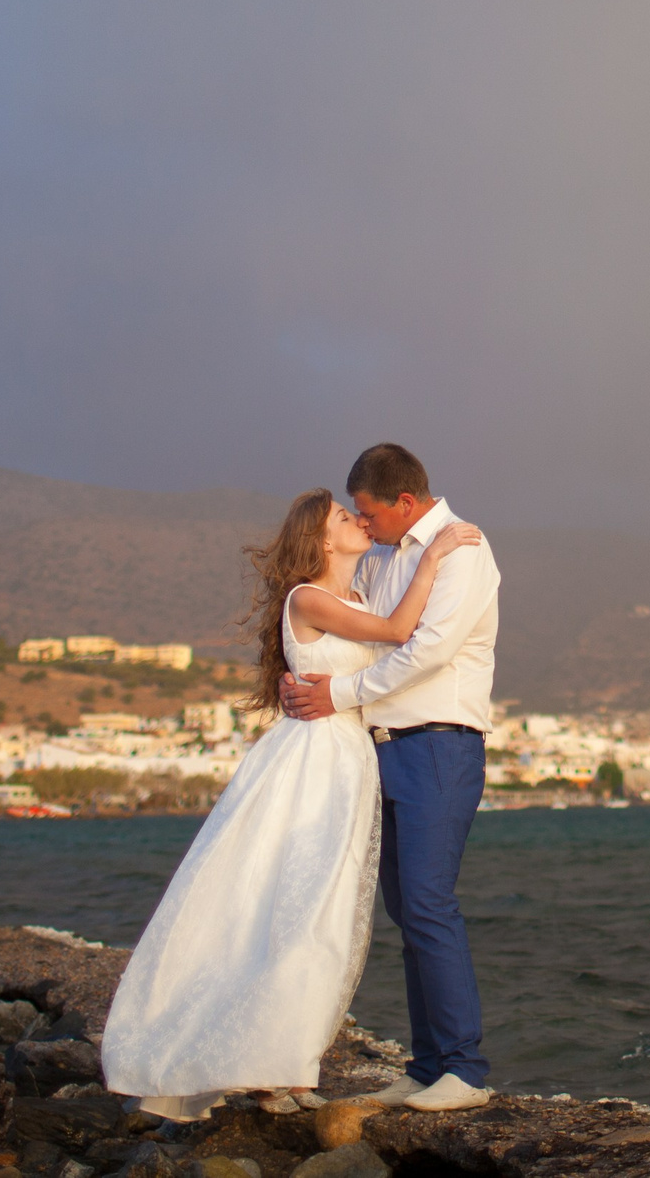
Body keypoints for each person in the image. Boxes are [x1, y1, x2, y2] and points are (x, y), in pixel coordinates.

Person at [96, 484, 483, 1121]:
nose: (357, 519)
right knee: (293, 906)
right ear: (321, 539)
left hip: (348, 760)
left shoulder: (354, 593)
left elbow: (375, 658)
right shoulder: (311, 597)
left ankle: (284, 1061)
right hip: (312, 764)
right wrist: (436, 555)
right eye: (342, 515)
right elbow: (396, 632)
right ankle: (275, 1064)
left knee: (320, 914)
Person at [279, 442, 501, 1113]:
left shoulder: (464, 552)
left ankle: (465, 1068)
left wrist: (337, 694)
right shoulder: (383, 558)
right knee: (406, 911)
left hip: (440, 744)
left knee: (430, 902)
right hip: (383, 749)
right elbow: (373, 632)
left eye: (368, 512)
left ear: (404, 502)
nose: (363, 523)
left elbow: (427, 651)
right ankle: (428, 1063)